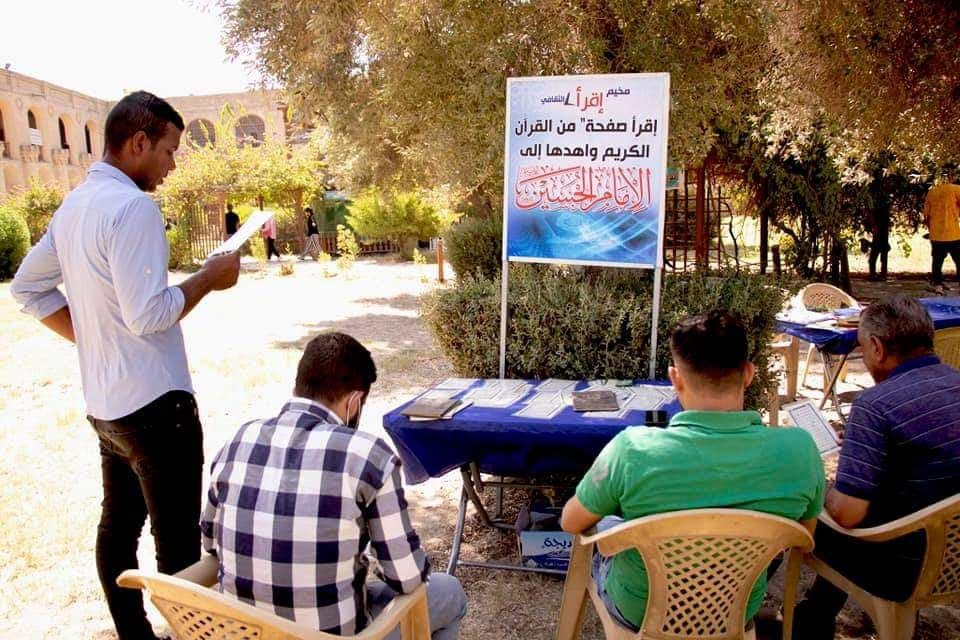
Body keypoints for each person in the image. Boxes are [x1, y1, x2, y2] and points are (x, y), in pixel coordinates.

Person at [11, 91, 241, 640]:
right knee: (178, 545)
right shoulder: (133, 207)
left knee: (118, 527)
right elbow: (149, 314)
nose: (172, 165)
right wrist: (209, 278)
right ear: (138, 142)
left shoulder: (75, 206)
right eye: (169, 150)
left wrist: (94, 340)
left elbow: (27, 288)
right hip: (158, 407)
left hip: (108, 407)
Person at [560, 310, 824, 633]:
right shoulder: (801, 451)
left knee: (606, 528)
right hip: (735, 613)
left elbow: (571, 521)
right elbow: (804, 534)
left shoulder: (632, 450)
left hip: (640, 611)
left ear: (675, 379)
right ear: (749, 373)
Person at [200, 332, 467, 638]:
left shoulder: (238, 440)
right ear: (354, 401)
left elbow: (211, 544)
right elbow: (407, 578)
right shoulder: (367, 455)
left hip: (242, 632)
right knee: (449, 593)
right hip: (332, 633)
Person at [792, 295, 960, 638]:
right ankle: (814, 614)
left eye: (862, 348)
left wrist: (820, 487)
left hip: (906, 567)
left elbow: (847, 514)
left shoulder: (875, 406)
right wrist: (862, 453)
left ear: (878, 348)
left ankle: (806, 625)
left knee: (806, 515)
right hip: (952, 554)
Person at [923, 171, 960, 293]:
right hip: (953, 233)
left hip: (936, 234)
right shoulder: (956, 189)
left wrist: (931, 230)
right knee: (958, 260)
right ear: (951, 177)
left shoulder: (932, 192)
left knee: (937, 261)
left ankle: (937, 284)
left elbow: (926, 216)